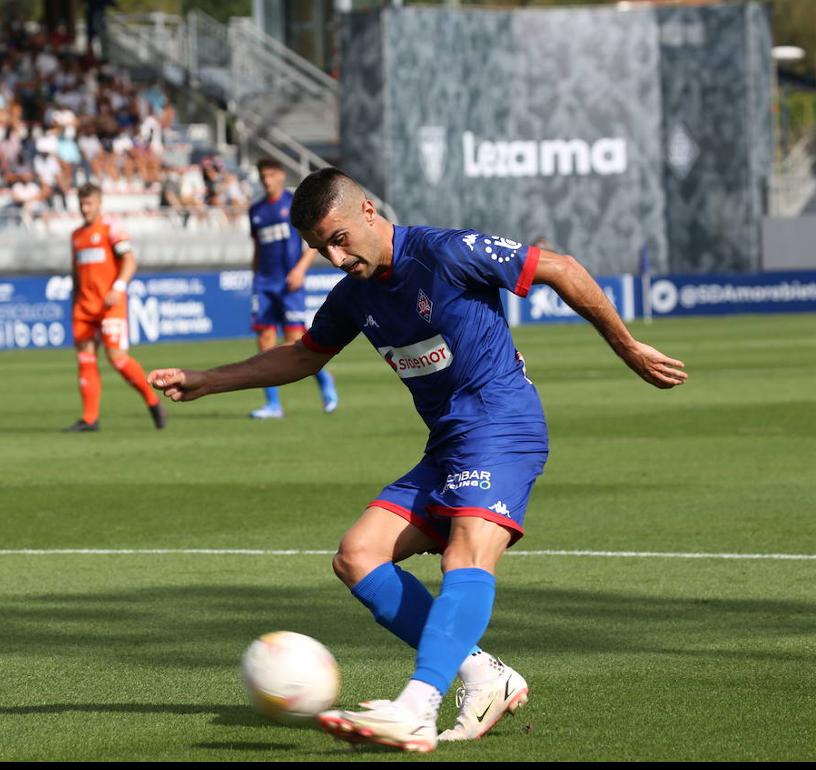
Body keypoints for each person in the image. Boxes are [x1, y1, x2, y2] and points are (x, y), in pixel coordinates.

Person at [149, 168, 687, 752]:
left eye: (338, 238)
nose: (333, 257)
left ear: (370, 212)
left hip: (503, 427)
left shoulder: (446, 253)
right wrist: (208, 380)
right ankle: (483, 674)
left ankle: (417, 706)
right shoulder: (354, 295)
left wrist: (628, 347)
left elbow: (558, 267)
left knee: (465, 553)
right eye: (318, 248)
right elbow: (305, 357)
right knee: (357, 556)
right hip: (448, 445)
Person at [66, 183, 166, 433]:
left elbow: (130, 261)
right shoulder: (77, 235)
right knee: (85, 359)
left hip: (110, 304)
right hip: (84, 306)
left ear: (99, 204)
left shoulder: (112, 228)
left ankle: (153, 401)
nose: (85, 208)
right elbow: (76, 272)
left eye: (89, 203)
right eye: (82, 204)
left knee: (117, 359)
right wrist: (74, 301)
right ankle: (90, 419)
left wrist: (118, 287)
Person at [245, 158, 339, 419]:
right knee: (265, 341)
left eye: (271, 174)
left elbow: (313, 243)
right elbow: (257, 248)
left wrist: (300, 269)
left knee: (294, 343)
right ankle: (273, 404)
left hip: (289, 282)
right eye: (262, 175)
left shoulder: (293, 205)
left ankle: (324, 380)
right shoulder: (256, 211)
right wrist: (255, 278)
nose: (266, 180)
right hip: (264, 283)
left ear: (281, 175)